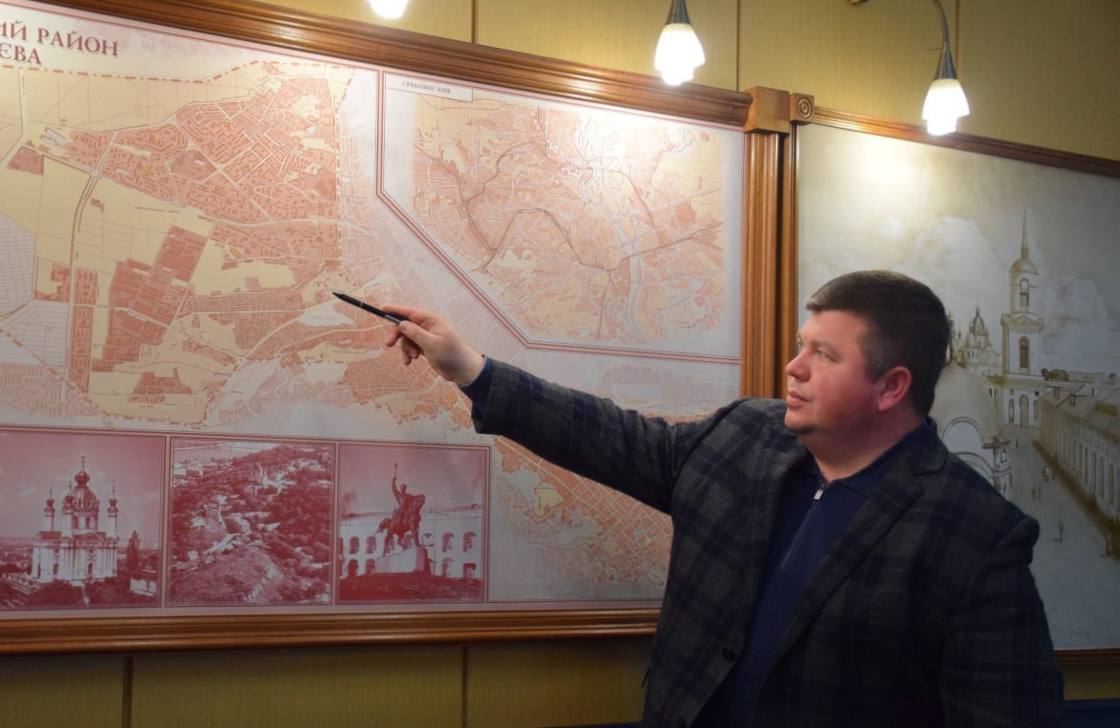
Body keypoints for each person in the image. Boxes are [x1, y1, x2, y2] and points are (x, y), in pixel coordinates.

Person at [382, 270, 1062, 727]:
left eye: (824, 356)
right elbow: (615, 438)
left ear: (892, 387)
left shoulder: (977, 540)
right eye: (800, 346)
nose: (794, 368)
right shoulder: (745, 435)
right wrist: (471, 369)